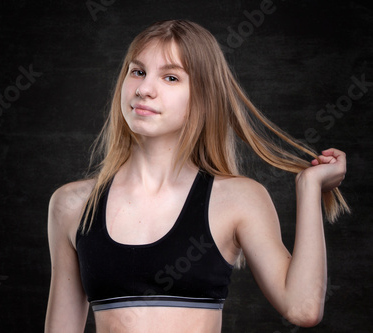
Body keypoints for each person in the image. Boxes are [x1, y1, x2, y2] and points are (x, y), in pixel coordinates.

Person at [44, 20, 349, 333]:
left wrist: (309, 187)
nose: (144, 89)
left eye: (171, 77)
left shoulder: (238, 199)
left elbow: (303, 309)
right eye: (138, 72)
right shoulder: (72, 205)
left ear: (203, 96)